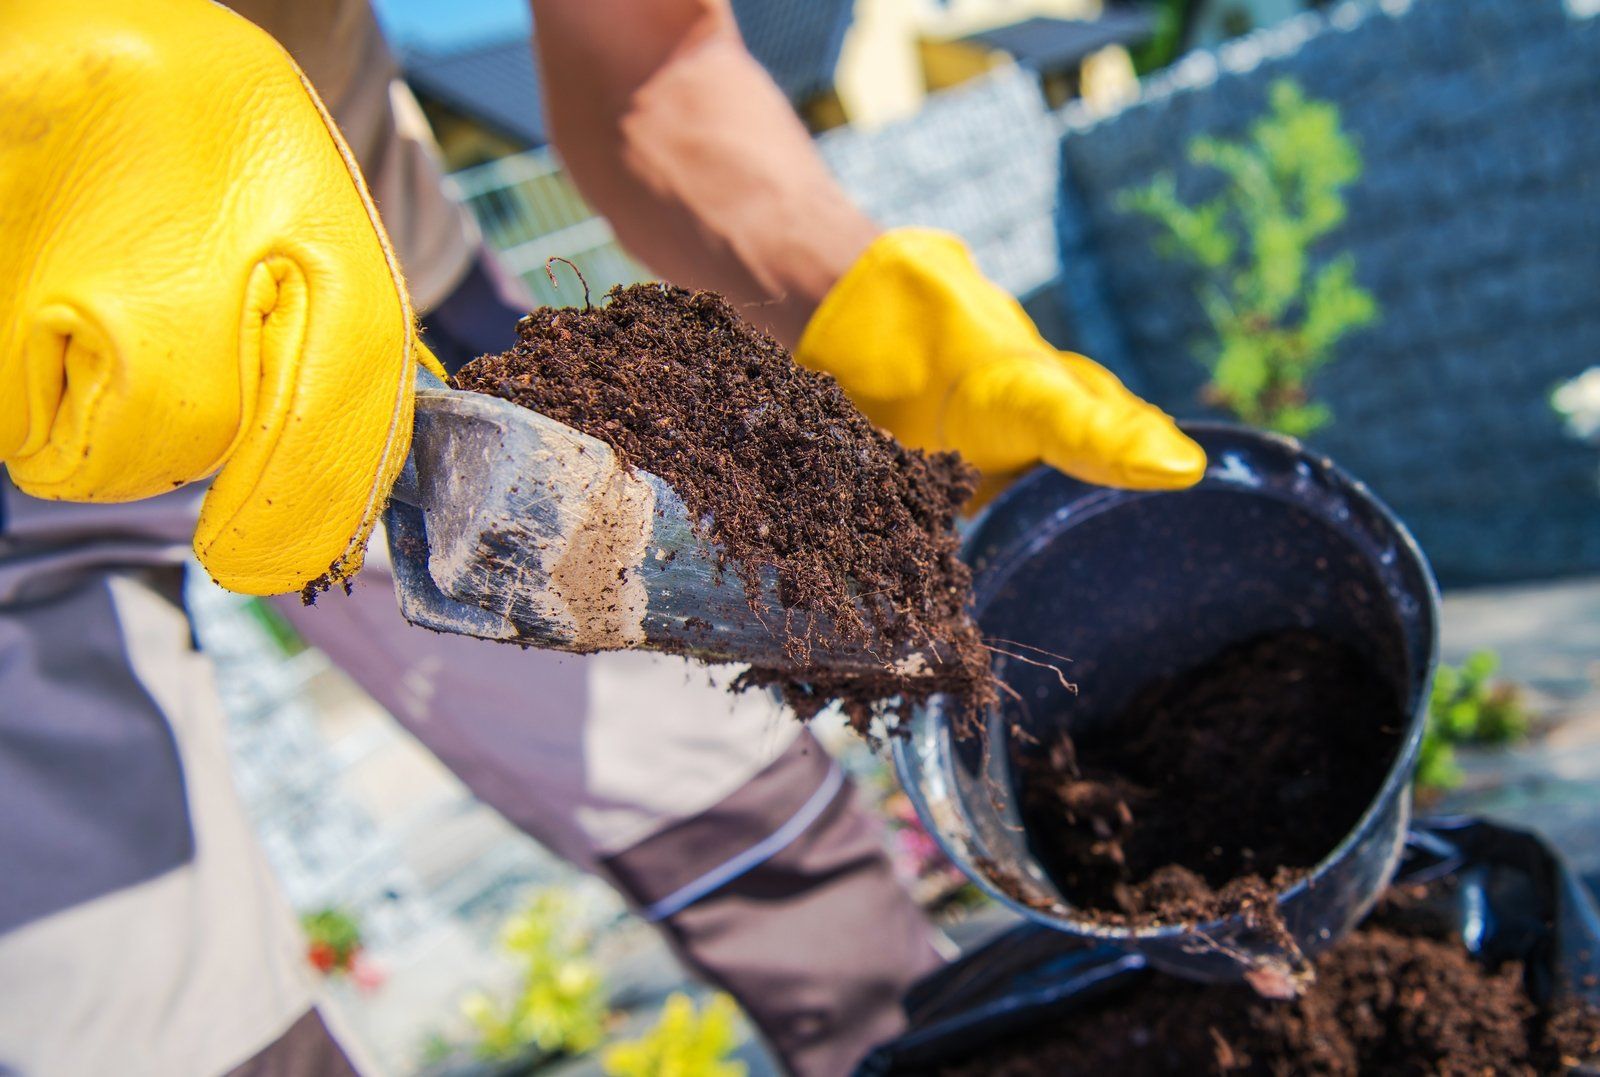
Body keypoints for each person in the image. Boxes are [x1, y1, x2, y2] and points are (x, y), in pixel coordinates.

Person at [0, 1, 1205, 1074]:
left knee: (756, 825)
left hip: (364, 327)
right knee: (144, 1028)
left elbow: (651, 62)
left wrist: (844, 292)